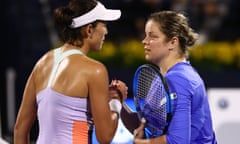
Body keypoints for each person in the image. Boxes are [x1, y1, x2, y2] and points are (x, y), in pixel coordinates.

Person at [13, 0, 128, 144]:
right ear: (89, 30)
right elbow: (105, 137)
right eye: (104, 25)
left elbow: (20, 129)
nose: (106, 31)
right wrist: (116, 101)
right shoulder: (95, 70)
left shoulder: (43, 63)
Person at [121, 11, 217, 144]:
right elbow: (147, 127)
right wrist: (117, 102)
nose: (145, 41)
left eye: (152, 37)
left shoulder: (179, 79)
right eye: (145, 35)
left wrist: (142, 143)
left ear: (172, 42)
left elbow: (177, 141)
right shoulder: (166, 77)